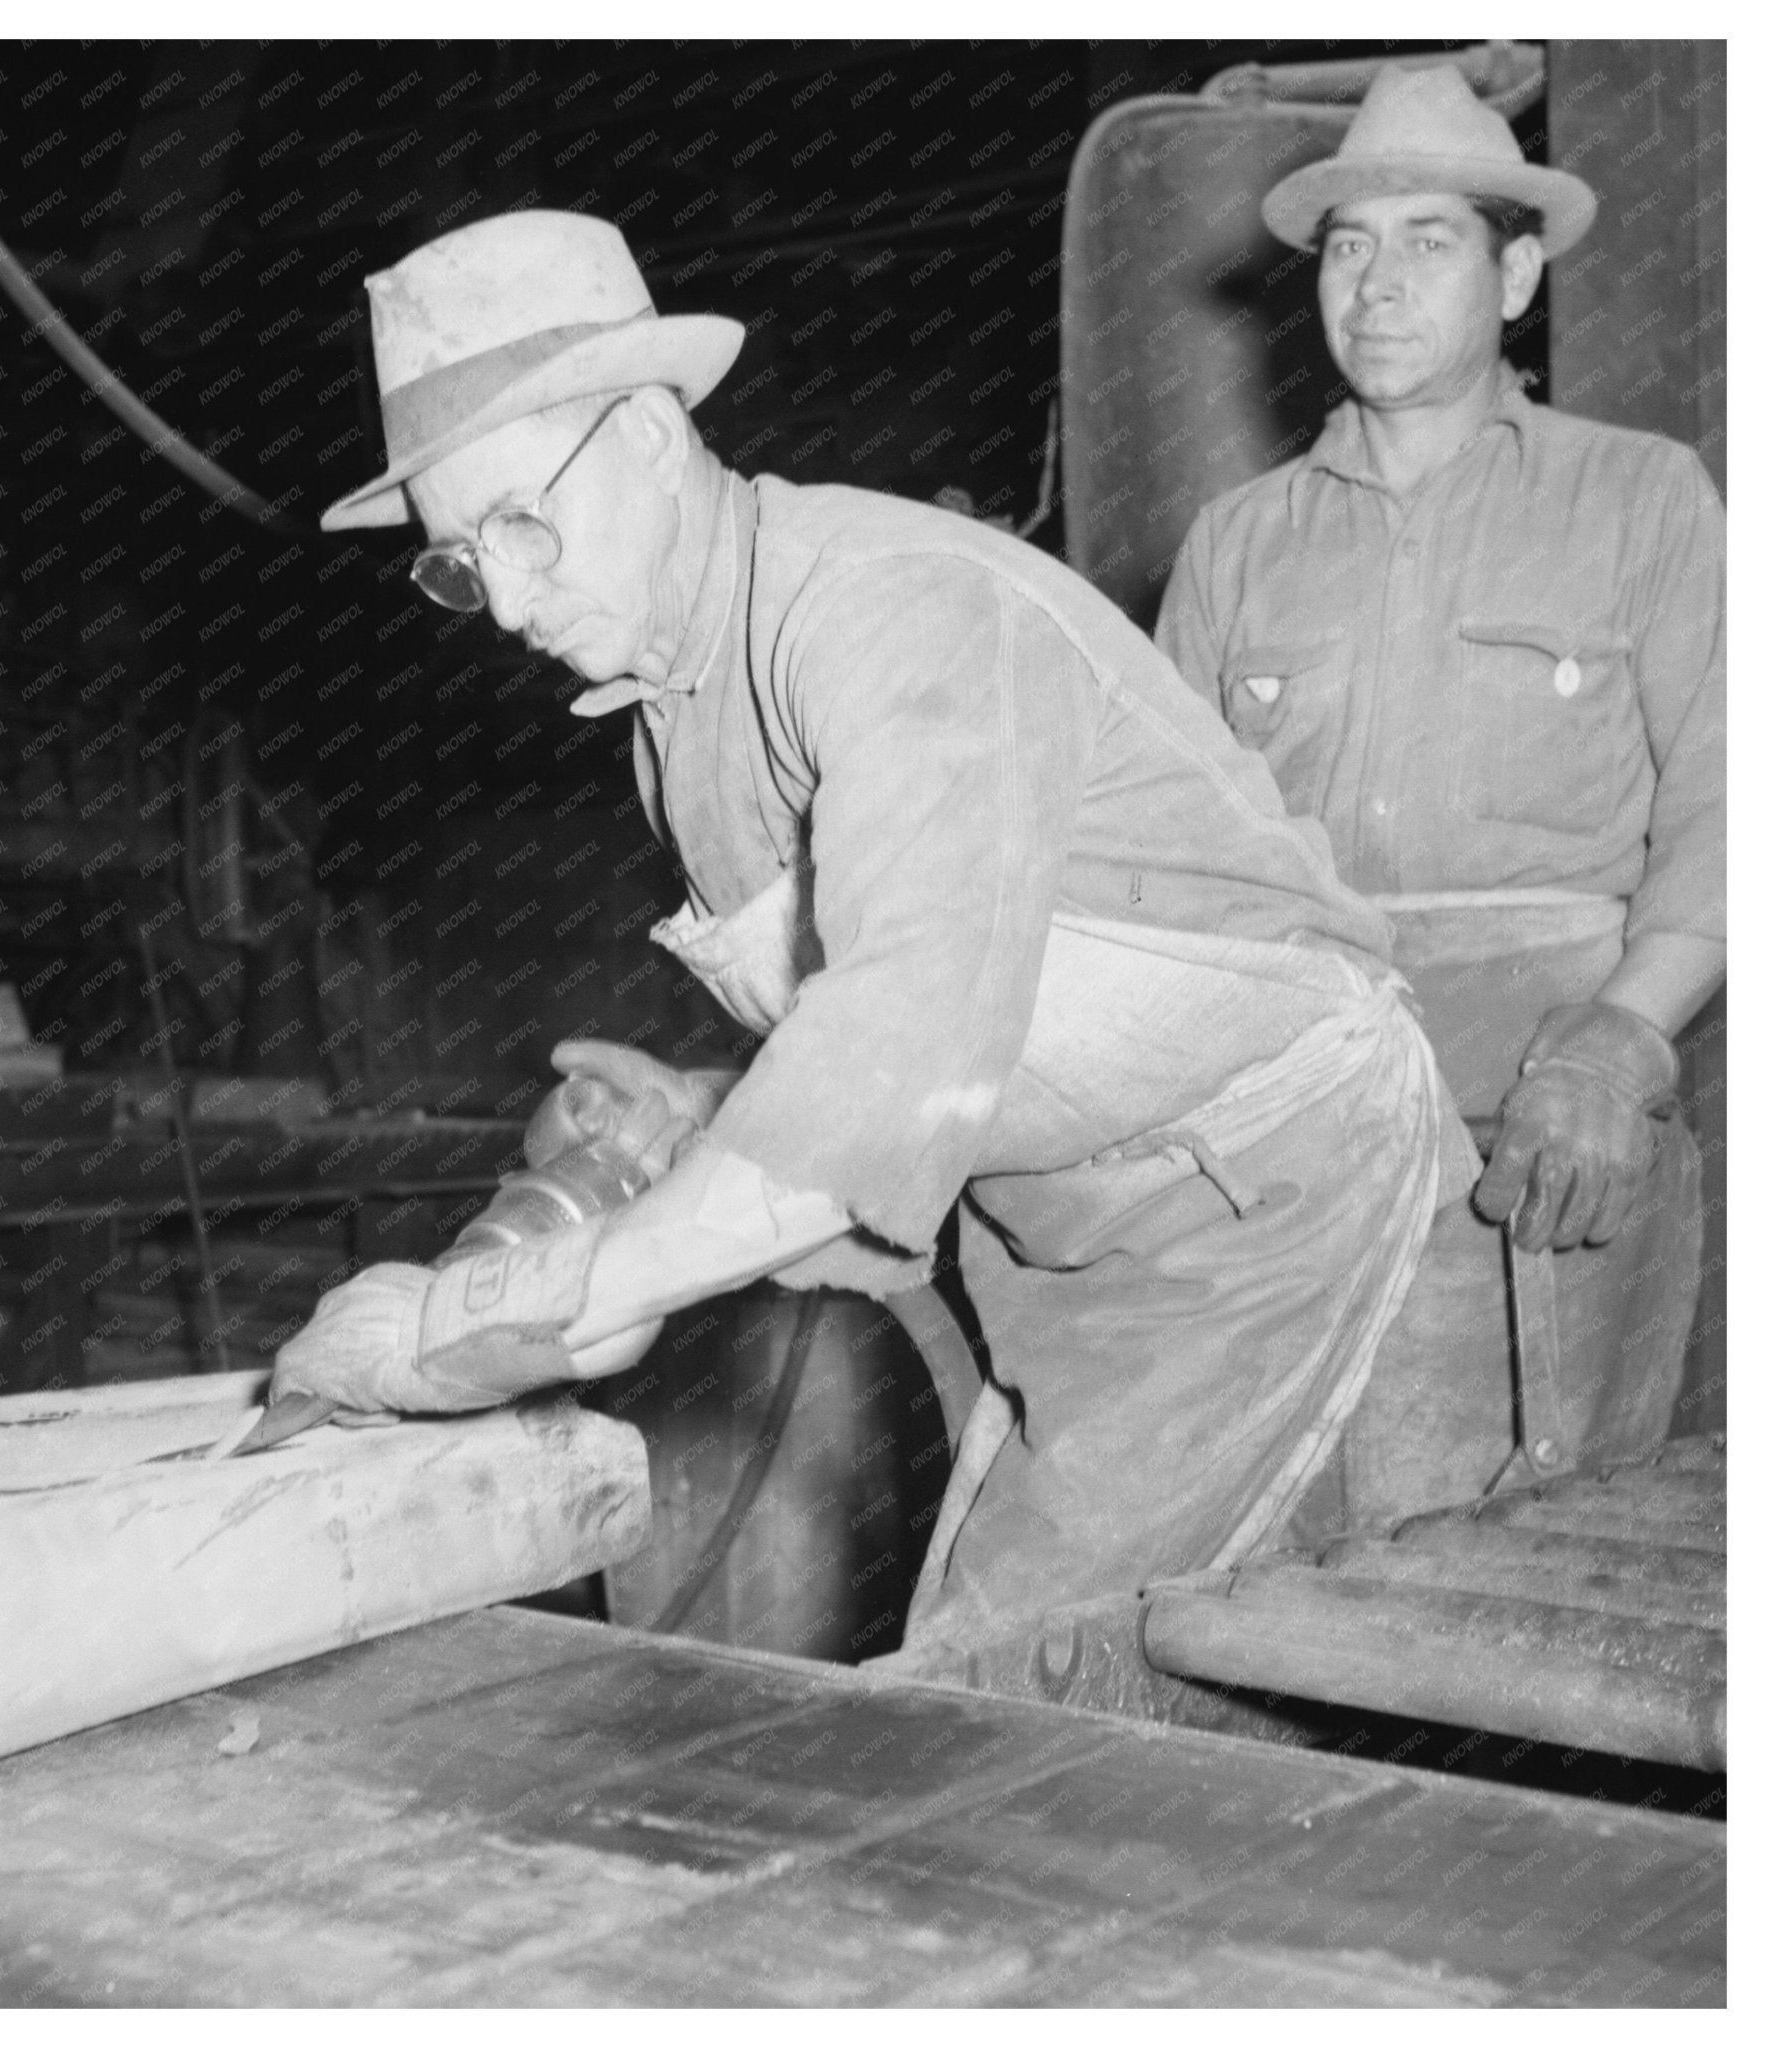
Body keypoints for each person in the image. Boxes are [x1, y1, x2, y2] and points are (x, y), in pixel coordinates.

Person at [274, 208, 1473, 1687]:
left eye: (523, 525)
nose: (508, 602)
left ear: (651, 434)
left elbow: (907, 1037)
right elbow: (917, 1004)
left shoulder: (890, 608)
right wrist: (713, 1109)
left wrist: (469, 1320)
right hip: (1053, 1221)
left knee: (1015, 1700)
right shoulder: (676, 708)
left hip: (1250, 1196)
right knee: (999, 1682)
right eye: (461, 564)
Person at [1155, 64, 1724, 1524]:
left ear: (1517, 273)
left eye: (1428, 241)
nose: (1378, 283)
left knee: (1527, 1583)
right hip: (1291, 1136)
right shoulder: (1235, 545)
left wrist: (1619, 1044)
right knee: (1263, 1585)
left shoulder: (1641, 499)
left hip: (1552, 1137)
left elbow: (1738, 804)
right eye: (1351, 245)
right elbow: (1161, 861)